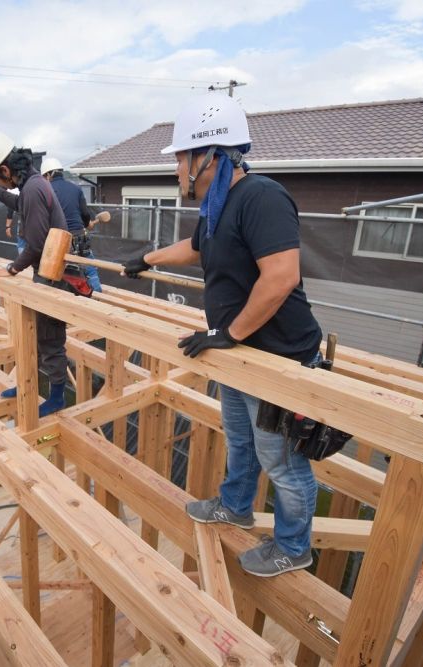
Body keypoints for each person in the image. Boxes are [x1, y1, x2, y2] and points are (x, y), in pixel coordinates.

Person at [122, 92, 323, 578]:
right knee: (240, 439)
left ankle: (294, 546)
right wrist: (146, 259)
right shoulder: (220, 201)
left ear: (207, 156)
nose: (175, 171)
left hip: (279, 356)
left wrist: (228, 334)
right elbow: (197, 247)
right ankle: (235, 506)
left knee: (282, 461)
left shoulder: (262, 197)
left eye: (179, 160)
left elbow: (281, 277)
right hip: (239, 348)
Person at [0, 130, 70, 417]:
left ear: (5, 169)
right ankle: (27, 383)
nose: (2, 183)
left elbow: (36, 244)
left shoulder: (32, 189)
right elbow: (20, 204)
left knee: (50, 337)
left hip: (53, 276)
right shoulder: (33, 185)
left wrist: (9, 269)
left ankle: (56, 397)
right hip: (47, 270)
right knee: (35, 334)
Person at [40, 157, 103, 292]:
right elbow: (85, 214)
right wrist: (87, 223)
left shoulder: (45, 191)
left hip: (58, 240)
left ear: (47, 175)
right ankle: (98, 297)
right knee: (90, 270)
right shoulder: (76, 188)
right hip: (79, 237)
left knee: (57, 273)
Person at [3, 187, 25, 254]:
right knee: (22, 243)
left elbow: (10, 211)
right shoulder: (13, 191)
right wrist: (7, 227)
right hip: (24, 221)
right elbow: (10, 210)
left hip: (27, 221)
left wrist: (8, 227)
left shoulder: (13, 191)